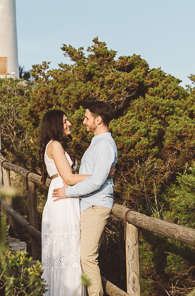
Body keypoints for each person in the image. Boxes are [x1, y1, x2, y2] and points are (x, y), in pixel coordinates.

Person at [53, 101, 117, 296]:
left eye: (86, 118)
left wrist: (68, 192)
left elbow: (97, 180)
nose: (83, 122)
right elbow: (95, 176)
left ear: (98, 120)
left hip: (96, 205)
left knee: (88, 256)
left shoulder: (105, 143)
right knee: (83, 256)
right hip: (88, 204)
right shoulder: (97, 142)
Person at [39, 109, 90, 296]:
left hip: (66, 197)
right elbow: (68, 177)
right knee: (65, 255)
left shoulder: (57, 145)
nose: (69, 124)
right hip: (62, 201)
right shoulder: (54, 146)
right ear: (55, 125)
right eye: (65, 121)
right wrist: (97, 177)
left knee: (68, 255)